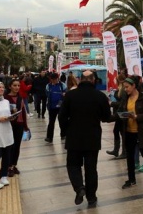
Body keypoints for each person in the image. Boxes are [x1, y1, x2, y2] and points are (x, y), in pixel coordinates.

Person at [59, 70, 111, 207]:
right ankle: (91, 197)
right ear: (93, 80)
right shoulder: (100, 96)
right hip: (92, 137)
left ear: (80, 80)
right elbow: (106, 117)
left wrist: (65, 131)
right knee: (91, 168)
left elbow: (62, 116)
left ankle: (79, 188)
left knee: (73, 165)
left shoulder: (70, 95)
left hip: (74, 137)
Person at [4, 79, 29, 177]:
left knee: (17, 146)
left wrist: (25, 126)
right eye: (14, 85)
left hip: (19, 125)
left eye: (18, 85)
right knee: (10, 146)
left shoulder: (20, 98)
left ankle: (14, 165)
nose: (17, 87)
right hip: (9, 125)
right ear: (10, 86)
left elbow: (23, 112)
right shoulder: (5, 98)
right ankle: (8, 166)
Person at [107, 74, 127, 159]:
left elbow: (122, 104)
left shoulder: (123, 90)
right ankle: (116, 150)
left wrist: (112, 103)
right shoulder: (119, 89)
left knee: (123, 133)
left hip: (122, 114)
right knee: (116, 131)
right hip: (119, 113)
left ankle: (124, 152)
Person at [45, 72, 67, 143]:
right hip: (52, 107)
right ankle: (49, 137)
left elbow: (66, 93)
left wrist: (65, 94)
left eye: (55, 79)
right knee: (51, 122)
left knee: (62, 121)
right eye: (53, 79)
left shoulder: (62, 85)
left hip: (61, 106)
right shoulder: (48, 86)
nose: (54, 81)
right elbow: (47, 94)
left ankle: (63, 135)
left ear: (58, 78)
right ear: (51, 79)